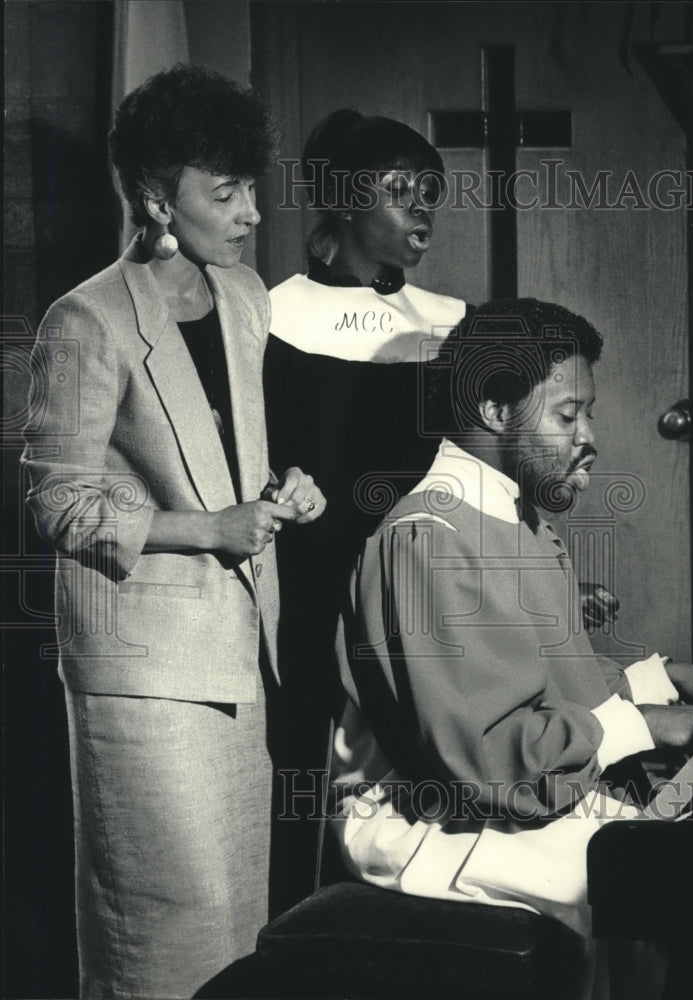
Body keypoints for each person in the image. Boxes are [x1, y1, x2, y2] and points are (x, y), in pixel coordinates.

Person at [20, 65, 325, 999]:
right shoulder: (83, 321)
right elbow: (56, 499)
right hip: (143, 674)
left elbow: (225, 455)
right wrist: (210, 529)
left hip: (239, 653)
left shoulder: (245, 300)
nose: (250, 215)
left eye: (250, 190)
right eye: (224, 193)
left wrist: (286, 489)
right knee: (160, 934)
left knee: (237, 927)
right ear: (157, 197)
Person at [330, 298, 693, 998]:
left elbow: (542, 678)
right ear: (496, 409)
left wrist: (663, 681)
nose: (589, 435)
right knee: (682, 882)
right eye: (568, 415)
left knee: (680, 847)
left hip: (506, 798)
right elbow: (494, 760)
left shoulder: (513, 515)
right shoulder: (429, 538)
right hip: (433, 824)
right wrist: (646, 722)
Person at [262, 109, 467, 908]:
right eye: (399, 191)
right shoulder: (268, 316)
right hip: (308, 585)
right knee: (305, 778)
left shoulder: (449, 324)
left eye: (430, 193)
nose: (422, 209)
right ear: (343, 201)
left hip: (418, 587)